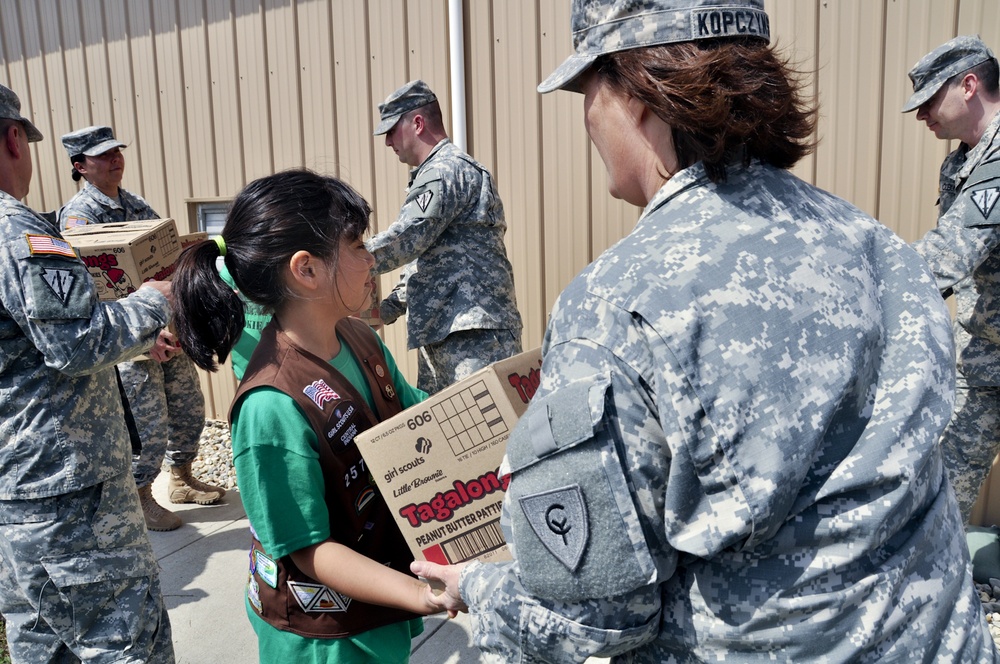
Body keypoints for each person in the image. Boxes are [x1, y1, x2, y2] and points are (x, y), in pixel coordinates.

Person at [411, 1, 998, 661]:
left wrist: (480, 585)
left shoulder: (619, 300)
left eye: (588, 89)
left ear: (641, 96)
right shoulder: (871, 243)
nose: (587, 119)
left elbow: (590, 618)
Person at [171, 169, 444, 662]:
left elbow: (409, 413)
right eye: (357, 244)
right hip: (324, 638)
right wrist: (424, 595)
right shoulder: (270, 407)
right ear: (308, 269)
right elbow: (310, 550)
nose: (371, 259)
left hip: (376, 606)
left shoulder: (357, 337)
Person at [0, 85, 175, 662]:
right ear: (13, 139)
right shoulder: (20, 233)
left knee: (42, 643)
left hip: (14, 489)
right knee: (125, 644)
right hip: (69, 490)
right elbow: (75, 343)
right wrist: (155, 302)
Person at [58, 125, 226, 531]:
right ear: (80, 166)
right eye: (103, 155)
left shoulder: (135, 204)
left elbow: (161, 261)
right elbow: (92, 293)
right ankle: (140, 497)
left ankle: (182, 480)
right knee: (145, 425)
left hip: (164, 329)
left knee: (188, 409)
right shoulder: (79, 217)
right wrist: (141, 341)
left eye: (117, 151)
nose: (116, 159)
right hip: (128, 343)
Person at [369, 80, 522, 394]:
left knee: (484, 436)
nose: (387, 142)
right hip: (447, 332)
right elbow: (425, 259)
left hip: (472, 334)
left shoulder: (445, 171)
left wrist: (342, 260)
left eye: (391, 130)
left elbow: (407, 239)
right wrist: (387, 309)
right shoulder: (436, 173)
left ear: (418, 123)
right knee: (449, 438)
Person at [904, 36, 1000, 523]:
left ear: (968, 85)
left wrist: (868, 286)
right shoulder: (963, 160)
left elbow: (950, 253)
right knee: (946, 486)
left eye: (928, 101)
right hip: (984, 359)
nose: (922, 117)